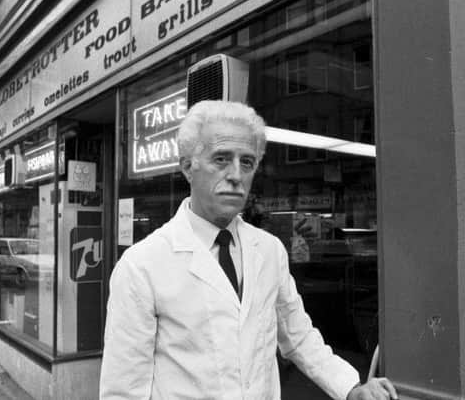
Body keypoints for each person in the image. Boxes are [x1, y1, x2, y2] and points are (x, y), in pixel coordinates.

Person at [100, 101, 397, 400]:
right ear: (188, 167)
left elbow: (298, 337)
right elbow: (123, 389)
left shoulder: (268, 251)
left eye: (247, 162)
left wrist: (351, 389)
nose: (236, 175)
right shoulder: (142, 264)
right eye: (221, 159)